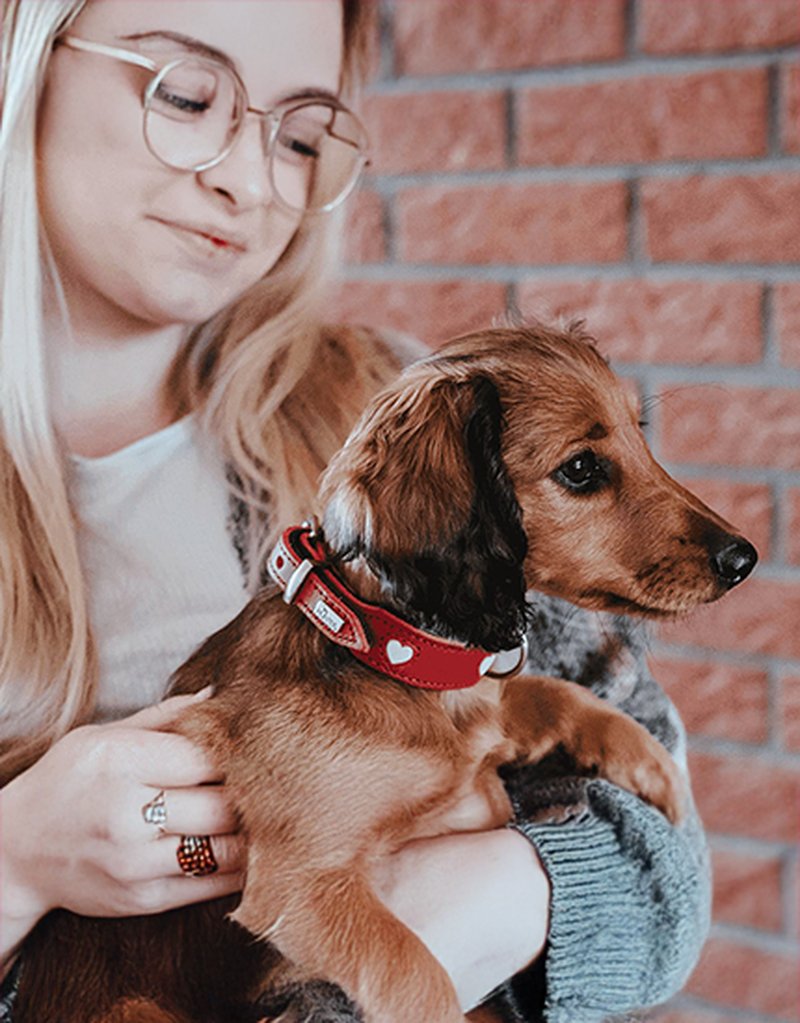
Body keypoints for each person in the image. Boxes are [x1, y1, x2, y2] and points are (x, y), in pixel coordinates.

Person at [0, 2, 710, 1020]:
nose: (249, 181)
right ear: (21, 60)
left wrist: (459, 904)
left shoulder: (403, 422)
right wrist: (17, 860)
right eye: (186, 95)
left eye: (300, 135)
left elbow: (662, 860)